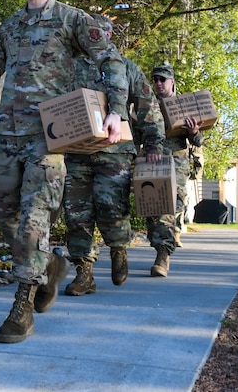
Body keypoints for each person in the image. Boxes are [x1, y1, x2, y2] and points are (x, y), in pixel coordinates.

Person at [0, 0, 129, 344]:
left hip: (47, 140)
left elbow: (113, 62)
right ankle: (50, 264)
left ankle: (21, 307)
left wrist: (115, 112)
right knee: (5, 217)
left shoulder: (72, 20)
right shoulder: (9, 26)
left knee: (36, 217)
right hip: (5, 135)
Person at [62, 15, 165, 296]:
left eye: (102, 34)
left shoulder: (124, 68)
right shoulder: (70, 66)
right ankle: (84, 272)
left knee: (111, 208)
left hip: (115, 152)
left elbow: (147, 107)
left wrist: (154, 144)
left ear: (110, 37)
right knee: (76, 214)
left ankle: (118, 249)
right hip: (76, 152)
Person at [147, 62, 203, 277]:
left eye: (163, 79)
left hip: (175, 164)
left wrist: (194, 132)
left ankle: (163, 255)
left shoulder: (183, 107)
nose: (159, 83)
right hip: (151, 162)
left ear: (172, 82)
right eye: (156, 80)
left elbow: (198, 140)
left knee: (168, 208)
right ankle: (158, 246)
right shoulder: (147, 107)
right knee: (152, 210)